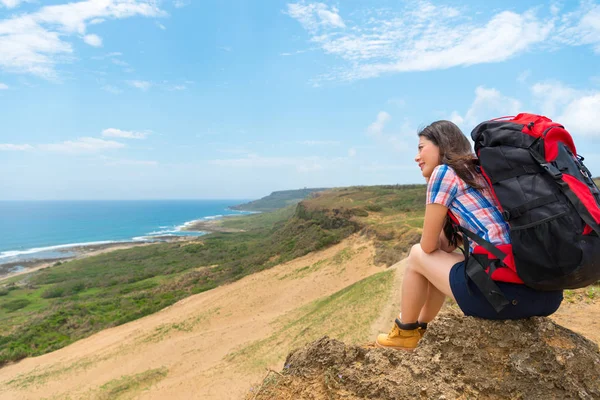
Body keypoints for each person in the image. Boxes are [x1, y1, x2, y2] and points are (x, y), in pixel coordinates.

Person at [376, 120, 564, 351]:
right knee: (442, 260)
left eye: (421, 147)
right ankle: (420, 328)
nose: (417, 157)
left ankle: (405, 331)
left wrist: (434, 192)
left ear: (441, 145)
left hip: (504, 299)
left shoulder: (444, 172)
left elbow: (427, 247)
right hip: (546, 295)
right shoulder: (482, 172)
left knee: (417, 254)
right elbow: (444, 248)